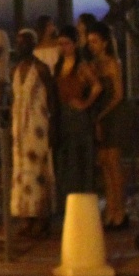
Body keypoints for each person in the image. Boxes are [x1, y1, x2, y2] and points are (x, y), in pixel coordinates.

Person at [9, 30, 56, 239]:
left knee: (39, 171)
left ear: (33, 45)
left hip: (38, 125)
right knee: (21, 172)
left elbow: (52, 97)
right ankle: (26, 216)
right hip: (19, 128)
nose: (21, 47)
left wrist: (53, 125)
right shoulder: (15, 70)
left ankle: (42, 217)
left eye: (25, 43)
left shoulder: (41, 68)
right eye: (18, 43)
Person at [88, 22, 130, 230]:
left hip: (112, 114)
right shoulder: (93, 65)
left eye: (95, 41)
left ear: (104, 43)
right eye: (89, 42)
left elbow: (119, 94)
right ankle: (110, 209)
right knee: (104, 163)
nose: (91, 46)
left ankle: (120, 211)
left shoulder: (113, 63)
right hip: (100, 115)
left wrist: (102, 115)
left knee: (114, 164)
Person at [53, 26, 99, 206]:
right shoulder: (59, 66)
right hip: (63, 116)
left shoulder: (81, 66)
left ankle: (83, 201)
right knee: (66, 160)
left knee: (80, 159)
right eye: (60, 44)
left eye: (66, 44)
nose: (63, 47)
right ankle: (67, 201)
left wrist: (85, 103)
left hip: (78, 117)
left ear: (74, 44)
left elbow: (97, 86)